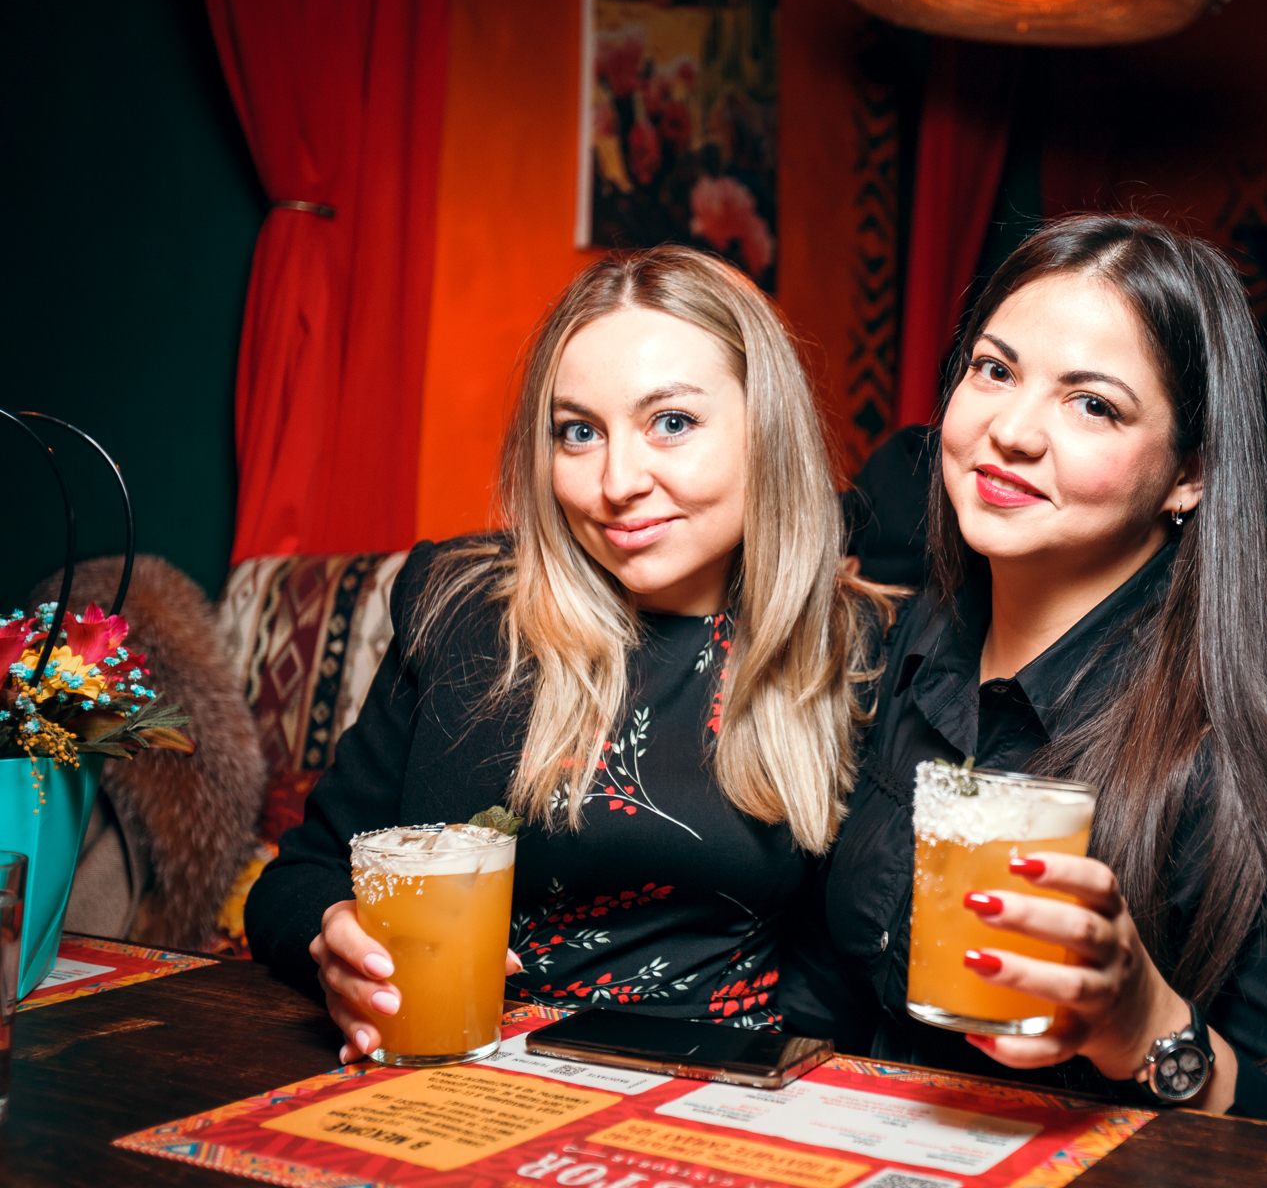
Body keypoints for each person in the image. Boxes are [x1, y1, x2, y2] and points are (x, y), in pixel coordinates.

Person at [824, 216, 1267, 1145]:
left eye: (1093, 405)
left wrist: (1151, 1031)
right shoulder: (894, 664)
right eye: (994, 370)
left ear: (1190, 475)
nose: (1011, 431)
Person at [246, 246, 893, 1063]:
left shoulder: (853, 643)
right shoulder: (462, 608)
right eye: (579, 433)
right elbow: (296, 880)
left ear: (766, 430)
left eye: (672, 423)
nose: (617, 482)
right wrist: (333, 939)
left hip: (722, 1090)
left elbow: (851, 969)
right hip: (459, 1070)